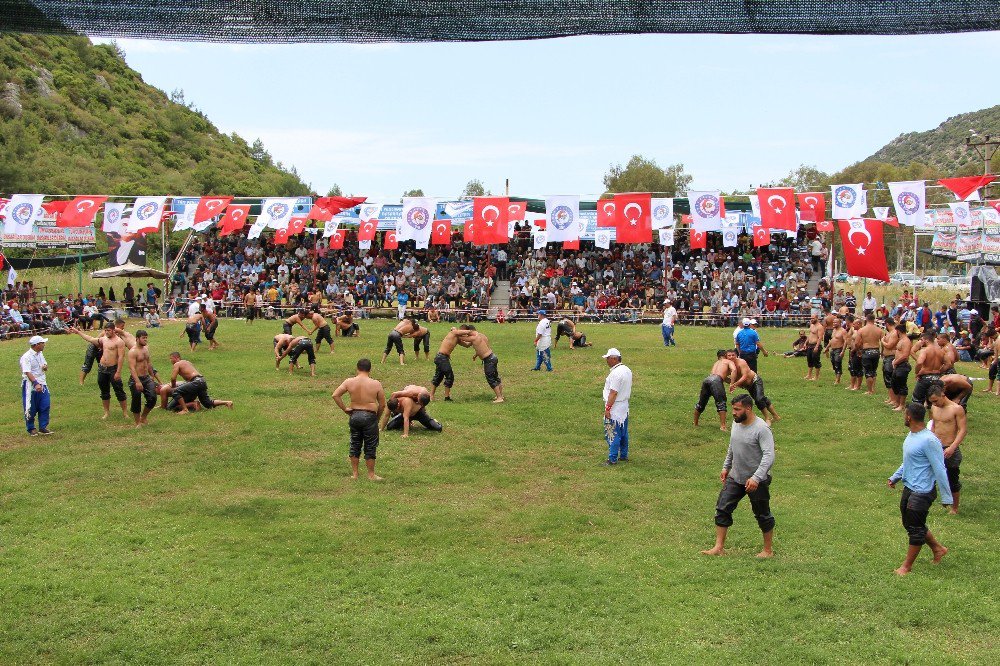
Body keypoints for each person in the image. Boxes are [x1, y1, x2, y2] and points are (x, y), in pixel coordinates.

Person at [701, 394, 775, 558]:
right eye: (733, 409)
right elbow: (732, 446)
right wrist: (726, 466)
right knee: (722, 508)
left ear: (748, 408)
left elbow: (769, 456)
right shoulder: (737, 423)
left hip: (757, 479)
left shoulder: (761, 429)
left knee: (762, 514)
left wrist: (756, 478)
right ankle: (718, 547)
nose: (733, 412)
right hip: (736, 476)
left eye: (737, 409)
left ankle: (768, 551)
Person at [887, 403, 952, 576]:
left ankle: (906, 567)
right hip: (909, 486)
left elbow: (939, 468)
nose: (904, 417)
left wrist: (947, 497)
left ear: (909, 417)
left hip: (922, 491)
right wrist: (895, 477)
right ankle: (938, 549)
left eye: (905, 414)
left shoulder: (929, 440)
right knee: (910, 523)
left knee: (915, 528)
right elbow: (909, 461)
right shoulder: (912, 435)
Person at [331, 358, 386, 481]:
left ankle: (355, 474)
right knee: (370, 445)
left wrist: (345, 408)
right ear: (370, 369)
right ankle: (371, 474)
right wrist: (377, 418)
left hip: (355, 415)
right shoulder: (376, 383)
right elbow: (382, 404)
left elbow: (335, 395)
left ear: (357, 368)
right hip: (369, 415)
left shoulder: (349, 381)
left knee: (355, 443)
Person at [68, 323, 128, 419]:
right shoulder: (103, 339)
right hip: (102, 368)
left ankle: (125, 413)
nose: (106, 332)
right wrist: (78, 332)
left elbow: (121, 357)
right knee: (104, 392)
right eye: (105, 330)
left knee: (119, 391)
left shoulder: (119, 342)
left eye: (108, 330)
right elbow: (90, 339)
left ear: (113, 330)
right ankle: (107, 412)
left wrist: (118, 372)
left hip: (113, 369)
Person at [927, 385, 966, 515]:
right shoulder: (934, 407)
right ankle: (928, 500)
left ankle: (954, 508)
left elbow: (962, 430)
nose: (934, 404)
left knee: (952, 478)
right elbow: (933, 425)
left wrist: (952, 447)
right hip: (936, 447)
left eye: (936, 400)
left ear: (943, 395)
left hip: (950, 448)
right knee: (929, 474)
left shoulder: (957, 409)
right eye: (932, 401)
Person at [165, 351, 233, 413]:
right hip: (201, 381)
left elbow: (173, 378)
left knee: (175, 391)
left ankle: (185, 410)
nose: (170, 360)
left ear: (176, 358)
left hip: (196, 382)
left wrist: (173, 387)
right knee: (207, 403)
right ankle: (227, 402)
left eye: (171, 358)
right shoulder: (187, 362)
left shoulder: (177, 364)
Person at [727, 350, 780, 424]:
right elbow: (725, 377)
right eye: (729, 355)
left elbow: (745, 376)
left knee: (759, 399)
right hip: (748, 386)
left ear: (737, 356)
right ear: (726, 357)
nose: (731, 357)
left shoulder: (741, 362)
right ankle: (776, 416)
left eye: (733, 355)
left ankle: (767, 419)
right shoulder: (727, 365)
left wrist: (735, 384)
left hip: (755, 380)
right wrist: (731, 384)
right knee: (762, 399)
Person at [601, 348, 633, 466]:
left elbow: (613, 392)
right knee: (623, 432)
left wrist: (608, 409)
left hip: (615, 406)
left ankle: (612, 458)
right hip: (624, 406)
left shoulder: (616, 373)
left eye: (608, 359)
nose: (607, 361)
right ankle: (623, 455)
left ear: (614, 359)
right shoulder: (627, 370)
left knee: (612, 433)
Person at [430, 327, 476, 401]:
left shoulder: (457, 339)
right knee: (449, 376)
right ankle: (445, 397)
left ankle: (432, 396)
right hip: (441, 357)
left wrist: (474, 340)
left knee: (438, 376)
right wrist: (474, 332)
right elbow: (466, 332)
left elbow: (467, 345)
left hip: (442, 358)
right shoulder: (452, 333)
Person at [462, 324, 505, 403]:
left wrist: (454, 331)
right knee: (496, 377)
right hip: (493, 357)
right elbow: (482, 347)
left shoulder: (474, 337)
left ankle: (499, 398)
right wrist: (476, 355)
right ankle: (500, 395)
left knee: (491, 379)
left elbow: (462, 338)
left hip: (489, 360)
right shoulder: (481, 336)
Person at [694, 350, 736, 431]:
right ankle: (723, 426)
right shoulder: (728, 361)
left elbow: (722, 377)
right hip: (716, 380)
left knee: (701, 403)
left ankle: (695, 423)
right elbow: (734, 370)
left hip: (707, 379)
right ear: (725, 355)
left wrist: (735, 383)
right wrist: (732, 383)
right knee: (721, 403)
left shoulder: (716, 363)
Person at [20, 335, 52, 436]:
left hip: (42, 382)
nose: (44, 345)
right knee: (31, 406)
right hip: (31, 384)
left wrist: (45, 367)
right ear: (37, 345)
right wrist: (36, 383)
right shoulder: (26, 357)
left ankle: (43, 426)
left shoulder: (40, 354)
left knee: (45, 404)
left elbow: (44, 364)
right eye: (42, 343)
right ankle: (31, 428)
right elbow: (27, 372)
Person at [126, 329, 157, 428]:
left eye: (146, 338)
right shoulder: (133, 352)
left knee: (152, 397)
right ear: (137, 339)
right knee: (136, 400)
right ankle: (137, 422)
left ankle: (143, 417)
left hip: (146, 378)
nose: (145, 340)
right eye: (143, 338)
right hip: (136, 379)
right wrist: (137, 382)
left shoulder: (145, 349)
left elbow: (148, 363)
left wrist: (152, 375)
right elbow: (132, 368)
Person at [911, 331, 943, 406]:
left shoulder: (925, 350)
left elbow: (919, 362)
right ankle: (932, 417)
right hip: (937, 377)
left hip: (926, 377)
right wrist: (939, 371)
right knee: (933, 402)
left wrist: (917, 372)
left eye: (922, 340)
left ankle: (917, 416)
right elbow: (948, 363)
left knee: (917, 400)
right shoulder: (940, 351)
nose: (920, 342)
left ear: (927, 340)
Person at [858, 313, 883, 395]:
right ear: (874, 320)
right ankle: (873, 388)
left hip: (867, 351)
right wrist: (882, 351)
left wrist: (859, 350)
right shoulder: (879, 330)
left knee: (868, 372)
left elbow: (857, 342)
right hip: (876, 351)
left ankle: (869, 390)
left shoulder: (862, 330)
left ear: (866, 319)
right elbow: (883, 342)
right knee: (874, 371)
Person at [890, 323, 912, 412]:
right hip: (898, 365)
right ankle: (898, 402)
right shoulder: (901, 340)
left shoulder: (906, 341)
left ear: (898, 331)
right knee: (895, 383)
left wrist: (896, 362)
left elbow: (905, 356)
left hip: (902, 365)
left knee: (902, 385)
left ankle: (902, 405)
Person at [823, 316, 846, 385]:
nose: (834, 323)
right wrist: (827, 348)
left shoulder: (843, 331)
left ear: (840, 323)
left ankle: (837, 379)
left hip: (839, 349)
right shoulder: (834, 330)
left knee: (837, 363)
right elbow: (832, 340)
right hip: (832, 349)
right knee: (833, 363)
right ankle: (837, 376)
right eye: (833, 322)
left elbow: (845, 341)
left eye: (835, 322)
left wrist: (843, 351)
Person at [804, 315, 823, 381]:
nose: (811, 319)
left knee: (816, 361)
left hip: (815, 345)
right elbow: (810, 335)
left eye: (813, 318)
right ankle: (809, 375)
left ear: (817, 318)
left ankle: (816, 376)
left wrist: (817, 346)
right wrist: (805, 343)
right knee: (809, 360)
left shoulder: (820, 327)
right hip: (810, 345)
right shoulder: (811, 325)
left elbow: (820, 338)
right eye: (811, 318)